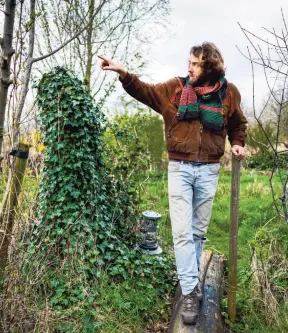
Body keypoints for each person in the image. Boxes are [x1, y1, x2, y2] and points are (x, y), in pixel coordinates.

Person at [99, 42, 247, 325]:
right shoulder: (175, 88)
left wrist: (237, 143)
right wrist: (123, 73)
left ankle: (189, 278)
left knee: (198, 232)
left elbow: (238, 123)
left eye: (194, 63)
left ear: (209, 66)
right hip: (179, 168)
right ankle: (190, 290)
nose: (188, 67)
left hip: (209, 170)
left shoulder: (229, 94)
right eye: (189, 62)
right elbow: (146, 92)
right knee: (181, 232)